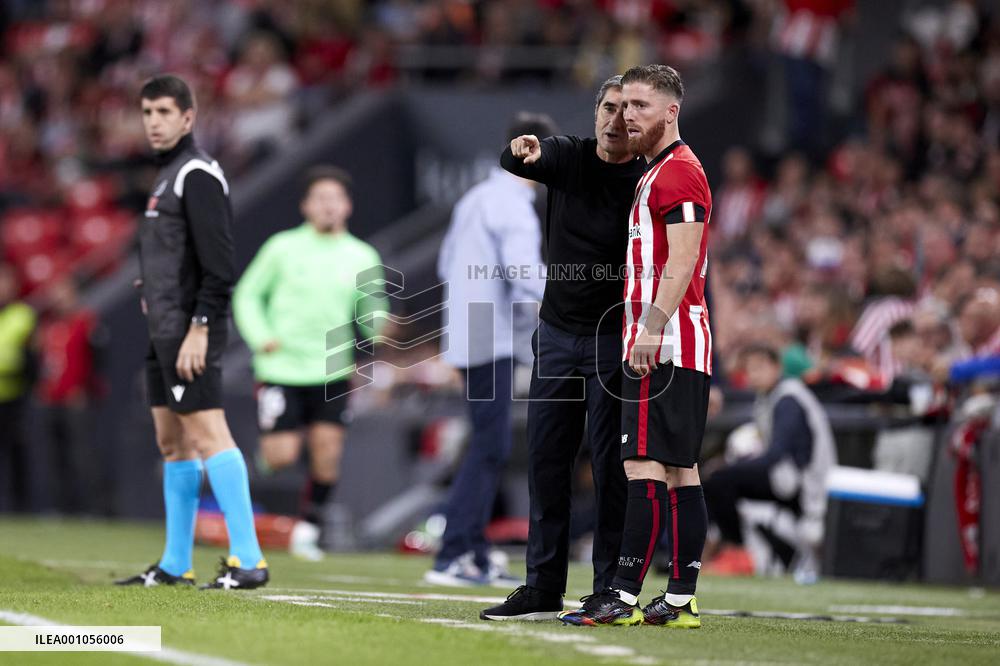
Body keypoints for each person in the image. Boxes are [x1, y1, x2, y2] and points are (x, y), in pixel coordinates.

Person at [480, 76, 644, 621]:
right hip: (554, 337)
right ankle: (542, 587)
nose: (615, 119)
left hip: (610, 339)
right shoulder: (568, 156)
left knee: (608, 468)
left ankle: (608, 588)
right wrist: (520, 149)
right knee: (546, 462)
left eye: (626, 110)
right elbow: (520, 158)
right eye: (608, 107)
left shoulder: (647, 179)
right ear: (595, 110)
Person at [558, 64, 711, 628]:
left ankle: (620, 597)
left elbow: (684, 256)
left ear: (671, 111)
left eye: (642, 106)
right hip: (675, 340)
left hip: (664, 341)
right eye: (624, 107)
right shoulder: (661, 171)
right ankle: (678, 598)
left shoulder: (678, 173)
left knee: (643, 465)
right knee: (678, 470)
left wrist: (650, 326)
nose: (629, 116)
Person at [116, 74, 268, 590]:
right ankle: (175, 563)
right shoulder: (166, 177)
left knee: (207, 434)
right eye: (147, 112)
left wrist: (200, 327)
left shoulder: (197, 174)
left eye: (163, 112)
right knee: (172, 443)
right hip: (163, 331)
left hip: (188, 331)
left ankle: (249, 559)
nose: (154, 122)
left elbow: (220, 264)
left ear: (188, 116)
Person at [233, 165, 387, 561]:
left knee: (328, 453)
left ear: (348, 206)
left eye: (335, 198)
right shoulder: (281, 247)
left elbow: (372, 313)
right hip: (281, 368)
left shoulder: (362, 255)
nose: (328, 206)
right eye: (320, 199)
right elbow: (247, 295)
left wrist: (383, 329)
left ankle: (309, 529)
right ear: (305, 206)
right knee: (282, 455)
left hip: (332, 369)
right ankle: (266, 455)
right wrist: (259, 334)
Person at [426, 112, 554, 587]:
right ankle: (453, 552)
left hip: (468, 332)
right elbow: (523, 272)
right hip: (490, 336)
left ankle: (473, 552)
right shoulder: (514, 204)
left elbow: (444, 264)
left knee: (488, 444)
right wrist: (564, 303)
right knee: (489, 446)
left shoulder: (476, 197)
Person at [702, 345, 836, 578]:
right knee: (719, 479)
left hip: (804, 486)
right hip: (788, 478)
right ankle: (732, 548)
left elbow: (776, 455)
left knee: (720, 481)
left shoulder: (788, 399)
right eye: (750, 369)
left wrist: (731, 467)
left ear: (777, 367)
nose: (754, 374)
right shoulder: (770, 397)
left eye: (760, 368)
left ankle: (738, 551)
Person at [36, 276, 103, 515]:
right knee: (55, 456)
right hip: (51, 397)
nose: (58, 298)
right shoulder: (49, 326)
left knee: (81, 456)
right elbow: (44, 361)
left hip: (75, 398)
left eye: (63, 292)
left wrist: (88, 388)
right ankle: (60, 508)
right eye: (55, 293)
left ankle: (90, 509)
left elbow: (97, 360)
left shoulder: (85, 322)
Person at [0, 264, 36, 512]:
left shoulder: (23, 314)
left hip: (15, 396)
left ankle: (21, 508)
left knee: (17, 455)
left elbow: (28, 356)